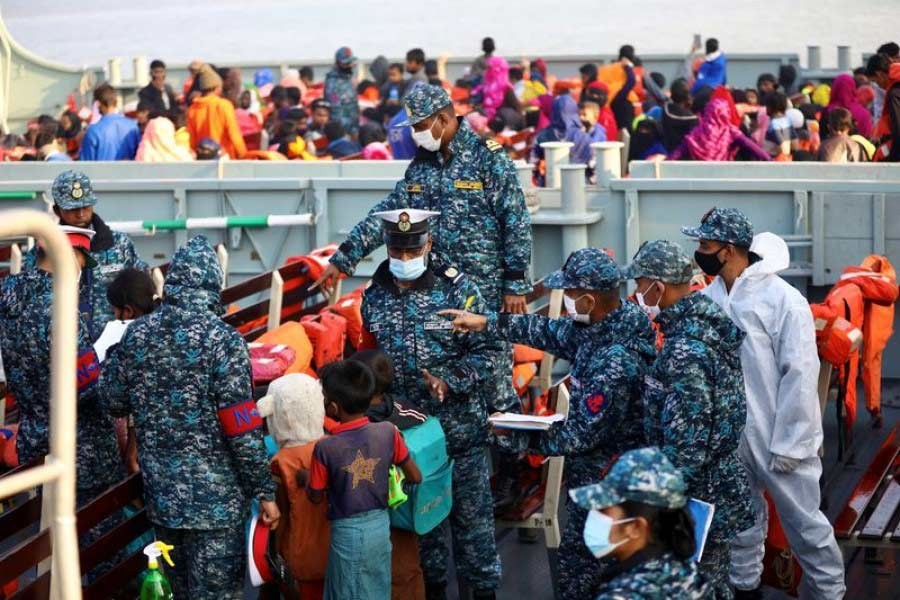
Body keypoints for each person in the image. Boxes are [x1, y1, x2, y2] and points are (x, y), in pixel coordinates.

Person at [441, 248, 657, 600]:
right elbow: (545, 330)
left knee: (588, 577)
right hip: (597, 483)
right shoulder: (606, 324)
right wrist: (485, 322)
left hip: (608, 489)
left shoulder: (614, 362)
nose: (566, 303)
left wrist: (509, 435)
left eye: (570, 296)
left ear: (588, 299)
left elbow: (577, 437)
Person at [312, 84, 532, 426]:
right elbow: (389, 213)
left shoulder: (488, 158)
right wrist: (344, 259)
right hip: (438, 290)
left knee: (495, 381)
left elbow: (515, 220)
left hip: (484, 291)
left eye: (419, 126)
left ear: (443, 118)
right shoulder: (421, 168)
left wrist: (515, 284)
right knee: (442, 378)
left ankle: (512, 464)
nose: (416, 135)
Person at [101, 235, 279, 600]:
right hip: (217, 508)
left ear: (173, 282)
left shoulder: (137, 335)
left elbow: (112, 400)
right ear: (214, 285)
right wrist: (264, 492)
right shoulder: (224, 341)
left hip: (163, 503)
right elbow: (242, 430)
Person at [681, 208, 847, 599]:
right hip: (730, 438)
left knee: (807, 527)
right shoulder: (709, 297)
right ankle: (745, 589)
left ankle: (830, 594)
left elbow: (801, 375)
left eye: (705, 244)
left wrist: (793, 442)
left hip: (777, 434)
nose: (699, 252)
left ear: (729, 250)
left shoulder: (782, 301)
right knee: (742, 524)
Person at [358, 209, 503, 600]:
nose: (405, 260)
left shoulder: (460, 291)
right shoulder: (374, 296)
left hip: (459, 432)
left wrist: (449, 381)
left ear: (429, 245)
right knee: (424, 539)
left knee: (473, 534)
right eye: (397, 251)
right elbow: (367, 351)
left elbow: (491, 353)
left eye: (413, 250)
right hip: (409, 440)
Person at [621, 239, 754, 598]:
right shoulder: (703, 325)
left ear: (658, 287)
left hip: (695, 498)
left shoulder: (684, 351)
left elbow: (687, 445)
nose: (637, 295)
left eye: (639, 286)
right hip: (713, 487)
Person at [1, 225, 124, 504]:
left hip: (35, 437)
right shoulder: (61, 308)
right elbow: (86, 389)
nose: (83, 271)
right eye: (82, 260)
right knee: (94, 540)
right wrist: (116, 362)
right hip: (81, 450)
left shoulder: (10, 296)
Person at [306, 359, 422, 600]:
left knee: (345, 590)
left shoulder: (325, 448)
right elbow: (415, 475)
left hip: (346, 533)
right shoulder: (388, 431)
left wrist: (306, 478)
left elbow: (315, 496)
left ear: (334, 408)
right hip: (381, 527)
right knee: (378, 587)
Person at [569, 447, 710, 599]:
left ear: (635, 527)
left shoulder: (621, 595)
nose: (593, 517)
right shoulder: (689, 573)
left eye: (603, 511)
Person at [22, 171, 147, 340]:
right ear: (57, 210)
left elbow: (142, 291)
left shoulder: (120, 244)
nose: (81, 214)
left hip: (114, 347)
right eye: (73, 208)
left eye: (86, 206)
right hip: (63, 349)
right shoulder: (44, 252)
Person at [259, 374, 330, 599]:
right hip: (336, 548)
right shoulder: (332, 446)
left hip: (300, 552)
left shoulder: (280, 462)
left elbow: (279, 514)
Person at [669, 98, 770, 161]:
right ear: (725, 114)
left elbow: (678, 153)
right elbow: (752, 147)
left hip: (699, 178)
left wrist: (666, 160)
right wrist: (770, 160)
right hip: (722, 176)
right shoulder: (730, 131)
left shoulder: (697, 133)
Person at [186, 64, 247, 158]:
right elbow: (234, 135)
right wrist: (244, 155)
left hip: (202, 160)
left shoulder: (192, 109)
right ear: (217, 87)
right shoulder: (224, 105)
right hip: (224, 159)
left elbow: (191, 141)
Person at [531, 95, 594, 182]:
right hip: (579, 184)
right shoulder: (584, 137)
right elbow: (593, 166)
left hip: (550, 185)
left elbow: (533, 164)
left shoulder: (542, 136)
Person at [79, 84, 141, 160]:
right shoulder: (134, 127)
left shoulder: (93, 131)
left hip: (102, 171)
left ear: (98, 104)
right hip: (130, 171)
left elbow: (86, 165)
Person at [868, 55, 900, 162]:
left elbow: (898, 129)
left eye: (876, 82)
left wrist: (893, 160)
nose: (879, 86)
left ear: (880, 74)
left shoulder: (894, 94)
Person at [820, 74, 873, 139]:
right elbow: (868, 137)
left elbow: (822, 137)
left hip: (833, 148)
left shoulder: (828, 111)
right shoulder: (864, 113)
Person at [324, 47, 360, 139]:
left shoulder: (348, 79)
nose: (349, 66)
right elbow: (335, 109)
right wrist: (342, 133)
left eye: (350, 62)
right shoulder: (332, 84)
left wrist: (355, 129)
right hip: (343, 131)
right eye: (346, 63)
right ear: (338, 63)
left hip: (354, 127)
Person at [662, 78, 699, 151]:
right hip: (684, 158)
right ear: (687, 96)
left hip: (667, 153)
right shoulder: (692, 119)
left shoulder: (665, 110)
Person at [763, 92, 797, 159]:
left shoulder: (775, 124)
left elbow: (784, 148)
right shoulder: (787, 121)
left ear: (769, 107)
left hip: (774, 162)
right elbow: (795, 145)